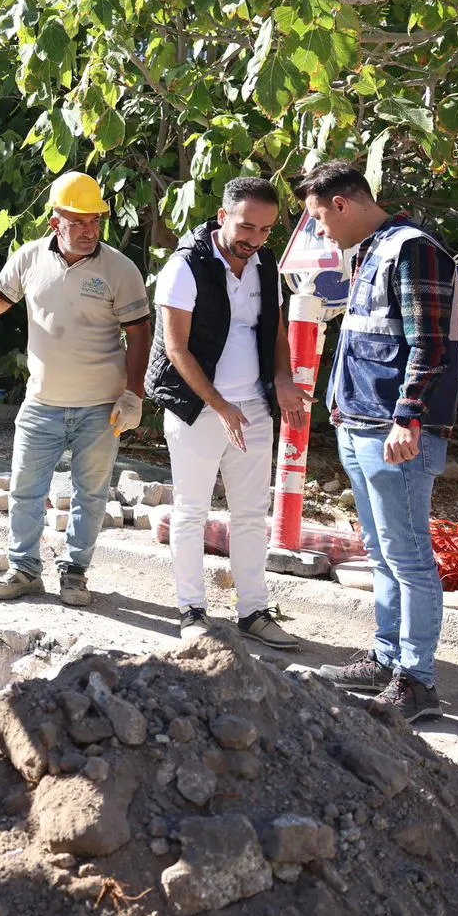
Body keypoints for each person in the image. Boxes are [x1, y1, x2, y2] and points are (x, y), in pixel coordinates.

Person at [297, 160, 458, 722]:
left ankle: (417, 682)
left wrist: (407, 418)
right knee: (384, 555)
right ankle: (388, 658)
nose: (319, 230)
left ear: (343, 204)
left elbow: (430, 344)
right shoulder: (371, 252)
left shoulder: (412, 249)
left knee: (409, 557)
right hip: (360, 426)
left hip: (394, 435)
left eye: (319, 217)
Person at [0, 171, 152, 606]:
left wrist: (133, 393)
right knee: (25, 491)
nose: (88, 230)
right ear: (54, 222)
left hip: (101, 408)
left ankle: (75, 573)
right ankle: (24, 571)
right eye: (77, 221)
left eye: (95, 221)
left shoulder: (120, 269)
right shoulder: (29, 258)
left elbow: (140, 333)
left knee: (91, 494)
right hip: (41, 402)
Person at [146, 177, 306, 647]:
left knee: (253, 514)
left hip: (253, 406)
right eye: (246, 227)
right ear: (222, 217)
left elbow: (275, 332)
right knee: (191, 511)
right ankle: (191, 610)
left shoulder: (266, 265)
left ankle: (254, 610)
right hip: (198, 407)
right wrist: (220, 406)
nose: (254, 240)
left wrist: (282, 379)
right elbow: (176, 348)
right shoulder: (185, 266)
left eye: (265, 231)